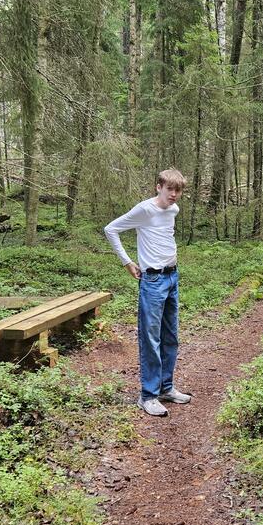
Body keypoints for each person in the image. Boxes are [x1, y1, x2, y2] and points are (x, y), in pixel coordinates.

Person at [104, 168, 190, 417]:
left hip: (172, 277)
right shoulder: (144, 209)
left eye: (178, 190)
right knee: (150, 338)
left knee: (170, 335)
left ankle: (166, 387)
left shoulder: (173, 210)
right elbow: (111, 229)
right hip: (152, 280)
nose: (174, 195)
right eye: (170, 189)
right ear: (159, 187)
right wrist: (127, 262)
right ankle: (148, 395)